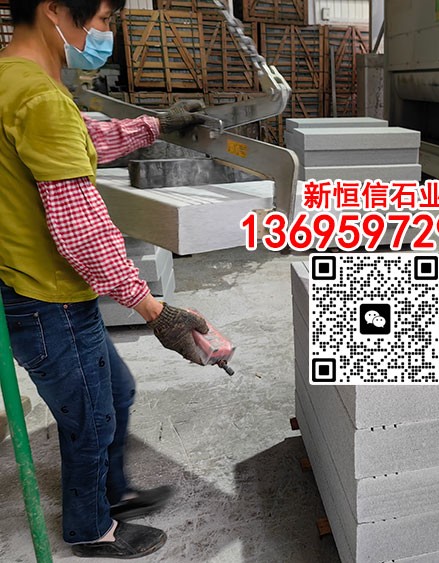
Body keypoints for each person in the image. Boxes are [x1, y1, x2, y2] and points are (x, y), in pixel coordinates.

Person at [0, 0, 214, 558]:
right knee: (91, 417)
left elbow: (80, 143)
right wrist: (153, 309)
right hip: (47, 299)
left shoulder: (12, 79)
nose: (106, 34)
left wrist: (155, 125)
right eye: (101, 20)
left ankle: (112, 492)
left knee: (115, 393)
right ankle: (91, 529)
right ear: (54, 10)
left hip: (35, 288)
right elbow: (81, 229)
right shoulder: (39, 96)